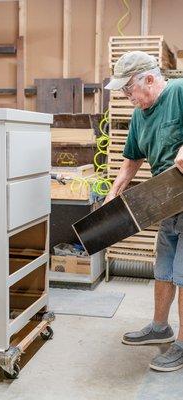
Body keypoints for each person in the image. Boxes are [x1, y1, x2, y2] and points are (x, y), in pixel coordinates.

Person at [104, 50, 183, 372]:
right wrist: (114, 192)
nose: (127, 98)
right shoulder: (140, 114)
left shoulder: (179, 92)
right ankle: (160, 327)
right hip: (167, 200)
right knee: (164, 271)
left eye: (128, 90)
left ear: (149, 79)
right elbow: (132, 160)